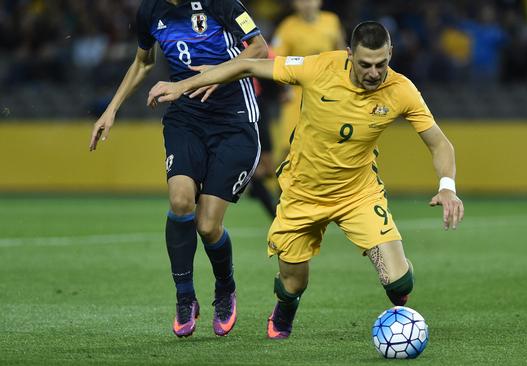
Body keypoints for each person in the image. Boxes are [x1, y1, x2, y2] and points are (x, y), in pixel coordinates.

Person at [147, 21, 464, 339]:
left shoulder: (401, 90)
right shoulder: (318, 67)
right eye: (365, 64)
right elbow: (248, 65)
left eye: (381, 64)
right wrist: (185, 85)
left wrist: (447, 188)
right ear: (349, 54)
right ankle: (284, 310)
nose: (373, 72)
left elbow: (439, 143)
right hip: (302, 193)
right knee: (293, 281)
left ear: (390, 54)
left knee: (398, 283)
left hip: (358, 193)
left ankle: (400, 306)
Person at [88, 0, 268, 338]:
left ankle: (225, 288)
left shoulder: (221, 3)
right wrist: (111, 109)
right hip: (186, 118)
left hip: (234, 122)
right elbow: (143, 62)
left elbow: (260, 48)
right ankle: (185, 297)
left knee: (208, 225)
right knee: (181, 200)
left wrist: (219, 72)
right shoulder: (150, 11)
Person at [272, 0, 346, 157]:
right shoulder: (287, 27)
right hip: (297, 93)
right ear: (294, 4)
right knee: (289, 147)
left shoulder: (332, 21)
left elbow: (343, 54)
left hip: (326, 92)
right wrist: (284, 88)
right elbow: (276, 60)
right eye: (301, 1)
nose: (306, 4)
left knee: (325, 146)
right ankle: (284, 180)